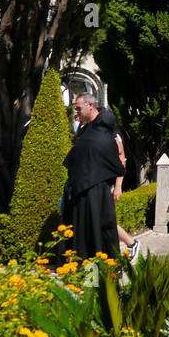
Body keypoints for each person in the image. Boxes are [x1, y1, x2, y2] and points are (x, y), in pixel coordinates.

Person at [63, 94, 125, 261]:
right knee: (82, 232)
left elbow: (120, 157)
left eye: (78, 108)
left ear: (90, 105)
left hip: (96, 190)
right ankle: (85, 270)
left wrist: (118, 186)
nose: (76, 112)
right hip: (80, 187)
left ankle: (102, 270)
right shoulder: (85, 130)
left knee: (98, 230)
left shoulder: (106, 129)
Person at [94, 108, 140, 263]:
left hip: (107, 184)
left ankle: (131, 243)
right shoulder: (93, 133)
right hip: (97, 183)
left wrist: (118, 186)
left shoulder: (114, 137)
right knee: (100, 219)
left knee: (104, 219)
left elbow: (122, 161)